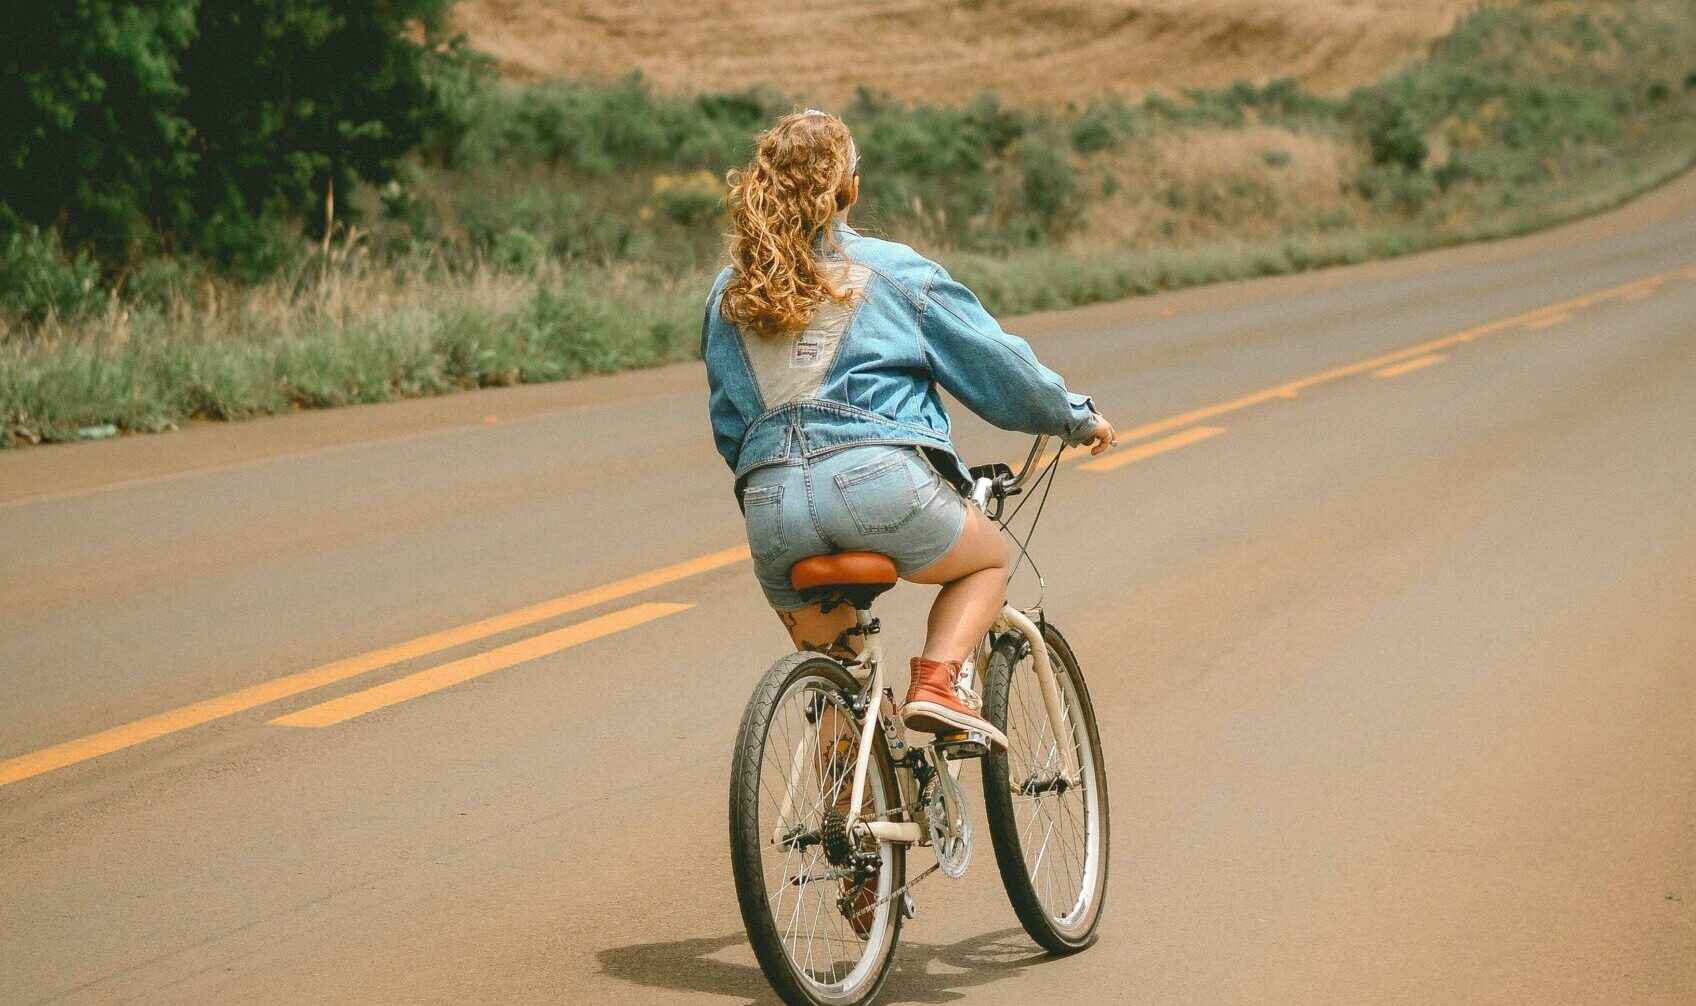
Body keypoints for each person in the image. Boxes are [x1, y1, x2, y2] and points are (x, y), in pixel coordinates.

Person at [702, 109, 1115, 751]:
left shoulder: (729, 292)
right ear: (850, 189)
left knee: (842, 677)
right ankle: (939, 684)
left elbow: (731, 428)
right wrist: (1072, 416)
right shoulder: (896, 271)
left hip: (771, 507)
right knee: (988, 562)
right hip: (878, 486)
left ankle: (846, 822)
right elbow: (997, 365)